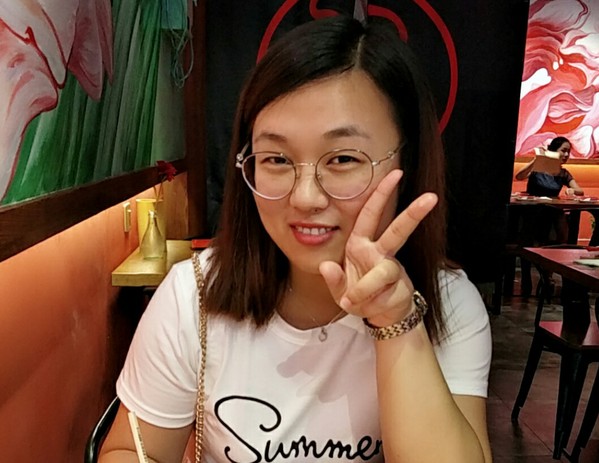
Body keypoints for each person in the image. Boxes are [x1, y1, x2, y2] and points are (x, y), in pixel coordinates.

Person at [99, 16, 492, 463]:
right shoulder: (193, 296)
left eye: (343, 159)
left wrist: (396, 321)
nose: (305, 197)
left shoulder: (450, 305)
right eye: (277, 159)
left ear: (408, 160)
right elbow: (130, 451)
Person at [514, 137, 584, 296]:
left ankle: (549, 270)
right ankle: (534, 273)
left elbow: (580, 190)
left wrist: (572, 190)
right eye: (563, 151)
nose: (566, 155)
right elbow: (519, 176)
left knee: (560, 218)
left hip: (551, 213)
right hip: (532, 212)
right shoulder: (538, 169)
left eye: (568, 152)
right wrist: (537, 160)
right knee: (538, 222)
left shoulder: (563, 173)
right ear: (553, 151)